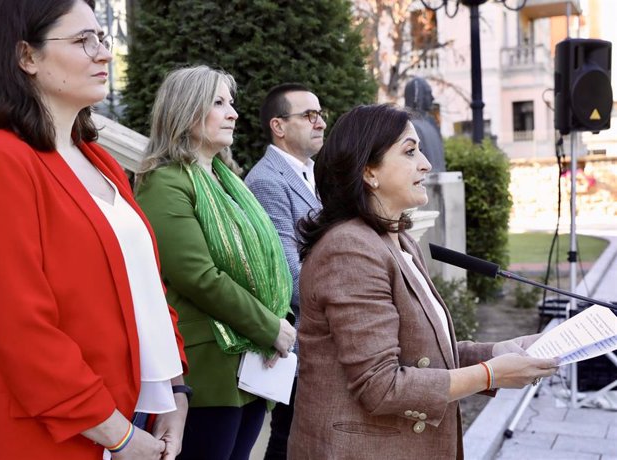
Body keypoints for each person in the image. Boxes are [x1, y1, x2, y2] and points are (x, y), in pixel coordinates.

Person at [0, 1, 189, 458]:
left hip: (141, 416)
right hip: (58, 434)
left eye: (102, 38)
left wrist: (177, 393)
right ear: (27, 57)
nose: (102, 54)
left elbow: (148, 288)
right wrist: (115, 432)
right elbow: (19, 328)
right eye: (83, 40)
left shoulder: (101, 161)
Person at [287, 104, 558, 459]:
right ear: (369, 172)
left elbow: (420, 355)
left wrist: (495, 352)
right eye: (410, 151)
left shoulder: (395, 239)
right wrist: (489, 374)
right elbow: (381, 385)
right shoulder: (349, 249)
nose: (426, 164)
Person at [134, 65, 297, 460]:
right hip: (208, 368)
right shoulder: (165, 182)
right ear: (186, 111)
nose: (233, 113)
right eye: (218, 103)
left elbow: (264, 262)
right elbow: (197, 276)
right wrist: (269, 326)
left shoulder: (229, 181)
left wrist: (277, 323)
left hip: (254, 363)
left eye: (232, 103)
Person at [244, 83, 325, 459]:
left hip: (316, 333)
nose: (320, 122)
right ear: (278, 125)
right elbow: (289, 273)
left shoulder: (310, 173)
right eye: (308, 115)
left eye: (320, 113)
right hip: (298, 335)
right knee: (289, 437)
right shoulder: (267, 180)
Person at [404, 77, 446, 173]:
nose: (432, 97)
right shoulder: (410, 126)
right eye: (428, 93)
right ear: (419, 96)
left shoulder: (431, 124)